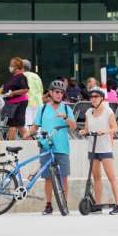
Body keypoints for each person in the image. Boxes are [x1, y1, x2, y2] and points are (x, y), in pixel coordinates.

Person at [33, 79, 76, 215]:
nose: (59, 95)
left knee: (63, 177)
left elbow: (73, 126)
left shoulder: (66, 108)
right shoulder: (43, 108)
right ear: (50, 93)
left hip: (62, 147)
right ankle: (48, 204)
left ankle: (64, 204)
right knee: (48, 178)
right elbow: (35, 125)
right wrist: (28, 133)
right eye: (56, 92)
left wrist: (65, 118)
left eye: (61, 93)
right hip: (46, 146)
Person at [83, 87, 118, 213]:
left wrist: (104, 132)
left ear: (101, 98)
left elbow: (115, 128)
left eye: (96, 97)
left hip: (105, 147)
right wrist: (83, 132)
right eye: (92, 97)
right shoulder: (89, 112)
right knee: (96, 177)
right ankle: (98, 205)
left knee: (111, 177)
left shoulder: (108, 111)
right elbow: (87, 129)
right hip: (93, 148)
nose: (93, 99)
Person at [2, 57, 30, 140]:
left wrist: (13, 93)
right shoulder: (14, 77)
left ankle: (10, 144)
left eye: (11, 65)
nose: (9, 67)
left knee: (14, 125)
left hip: (19, 103)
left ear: (17, 67)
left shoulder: (21, 76)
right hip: (11, 103)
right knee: (18, 125)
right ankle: (30, 141)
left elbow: (26, 89)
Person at [23, 59, 44, 136]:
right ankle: (38, 142)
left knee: (27, 125)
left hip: (27, 103)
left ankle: (28, 142)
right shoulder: (37, 76)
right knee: (38, 125)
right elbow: (41, 90)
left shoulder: (22, 76)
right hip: (39, 103)